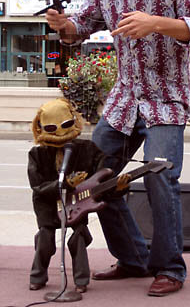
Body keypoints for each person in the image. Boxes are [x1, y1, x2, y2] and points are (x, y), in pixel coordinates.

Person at [45, 0, 190, 297]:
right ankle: (134, 258)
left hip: (167, 101)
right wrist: (63, 26)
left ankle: (170, 267)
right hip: (124, 100)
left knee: (160, 178)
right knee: (93, 179)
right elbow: (80, 26)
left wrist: (157, 23)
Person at [27, 98, 123, 294]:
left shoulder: (88, 149)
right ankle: (37, 276)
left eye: (67, 125)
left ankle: (81, 281)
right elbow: (37, 187)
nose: (61, 134)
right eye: (53, 128)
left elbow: (102, 178)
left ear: (74, 120)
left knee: (78, 236)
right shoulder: (37, 154)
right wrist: (63, 184)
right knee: (45, 237)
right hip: (47, 204)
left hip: (77, 204)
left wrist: (119, 187)